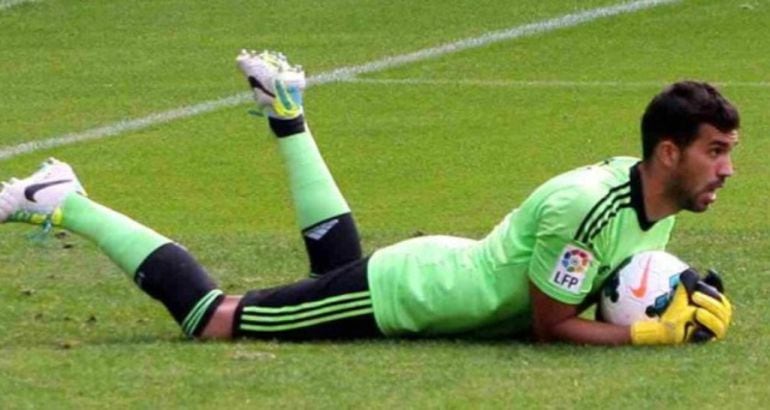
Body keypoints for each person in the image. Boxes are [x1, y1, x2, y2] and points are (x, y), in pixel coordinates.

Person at [0, 50, 735, 346]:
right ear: (668, 152)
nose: (727, 169)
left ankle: (286, 111)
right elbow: (551, 326)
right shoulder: (591, 206)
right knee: (215, 321)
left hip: (439, 270)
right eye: (716, 151)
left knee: (332, 272)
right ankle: (63, 196)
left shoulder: (656, 209)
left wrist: (673, 297)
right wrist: (650, 334)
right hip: (408, 296)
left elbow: (610, 286)